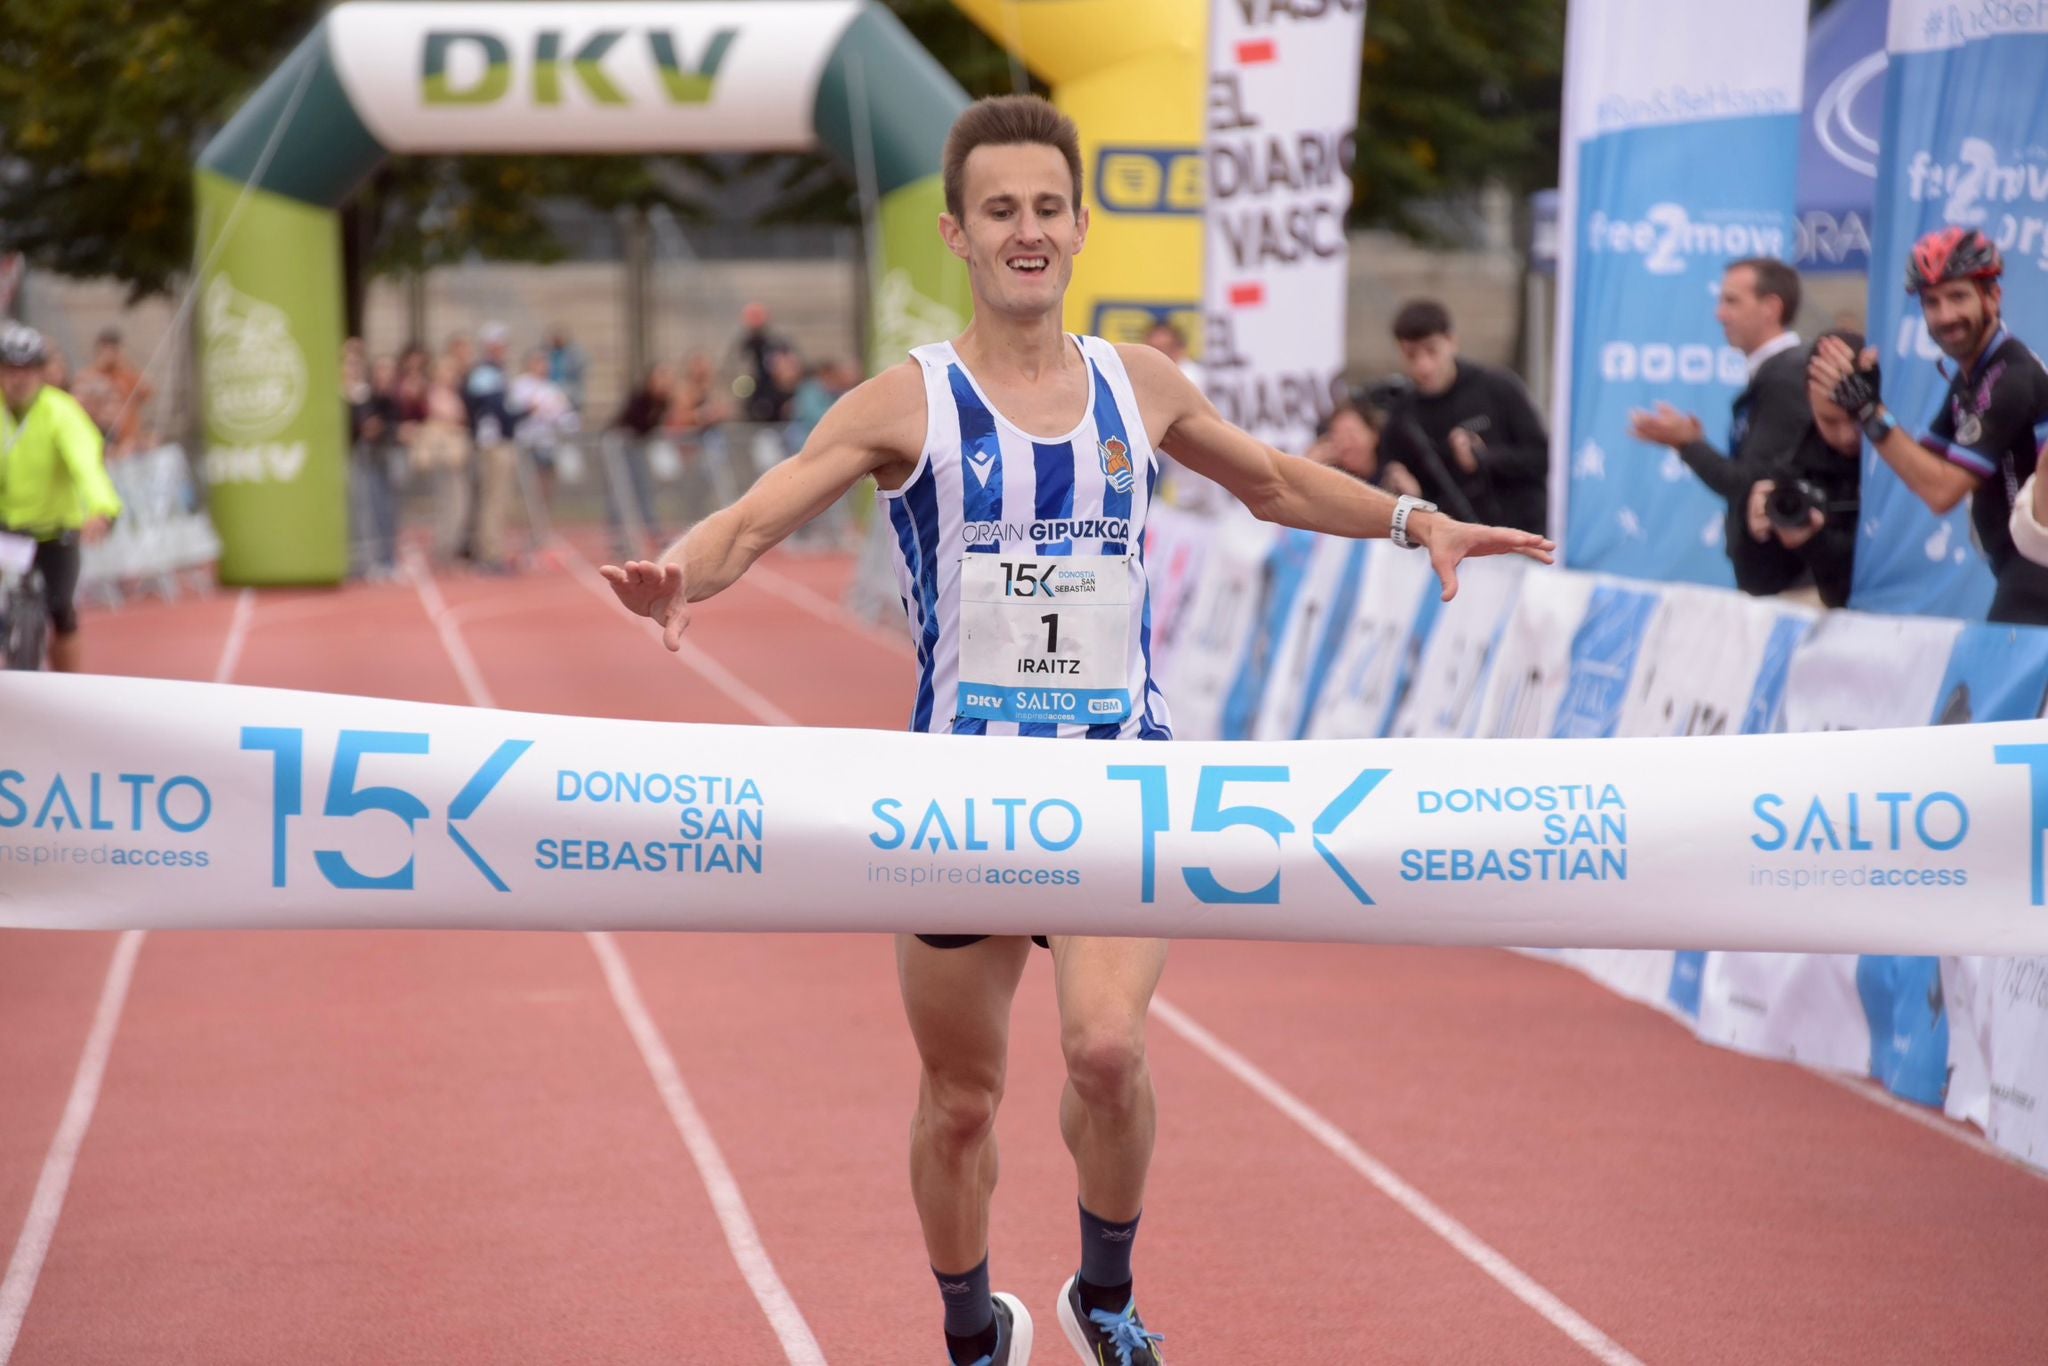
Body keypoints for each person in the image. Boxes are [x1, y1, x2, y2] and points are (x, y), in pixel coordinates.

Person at [600, 94, 1548, 1366]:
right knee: (960, 1101)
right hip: (954, 797)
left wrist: (1409, 519)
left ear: (1079, 226)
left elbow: (1268, 481)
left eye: (1047, 207)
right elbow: (760, 515)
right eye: (1000, 210)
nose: (1027, 230)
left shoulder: (1136, 384)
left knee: (1105, 1048)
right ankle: (971, 1325)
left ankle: (1102, 1294)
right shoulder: (906, 404)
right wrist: (682, 573)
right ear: (958, 232)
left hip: (1119, 786)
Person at [1815, 228, 2048, 623]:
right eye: (1932, 302)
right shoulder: (1973, 374)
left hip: (2035, 571)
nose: (1945, 316)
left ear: (1993, 297)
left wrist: (1872, 413)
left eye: (1958, 297)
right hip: (2021, 566)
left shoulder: (2009, 376)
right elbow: (1921, 466)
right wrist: (1865, 413)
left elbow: (1941, 491)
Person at [1629, 258, 1812, 597]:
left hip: (1790, 584)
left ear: (1771, 307)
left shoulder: (1784, 378)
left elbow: (1748, 483)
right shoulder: (1775, 374)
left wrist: (1688, 444)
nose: (1719, 314)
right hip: (1777, 581)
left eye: (1732, 301)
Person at [0, 324, 123, 671]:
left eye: (27, 370)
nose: (18, 380)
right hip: (6, 530)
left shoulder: (61, 411)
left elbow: (87, 464)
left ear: (41, 373)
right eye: (9, 370)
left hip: (56, 531)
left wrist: (102, 508)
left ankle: (70, 689)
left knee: (62, 613)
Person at [1376, 299, 1550, 535]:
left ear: (1452, 342)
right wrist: (1407, 492)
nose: (1424, 366)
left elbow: (1543, 457)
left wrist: (1485, 458)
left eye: (1431, 351)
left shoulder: (1497, 387)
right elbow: (1393, 479)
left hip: (1521, 537)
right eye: (1411, 355)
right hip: (1453, 546)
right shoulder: (1403, 416)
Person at [1739, 331, 1866, 609]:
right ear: (1810, 401)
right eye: (1830, 421)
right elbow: (1760, 588)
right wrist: (1757, 537)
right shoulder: (1795, 468)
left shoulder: (1901, 460)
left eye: (1857, 420)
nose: (1847, 436)